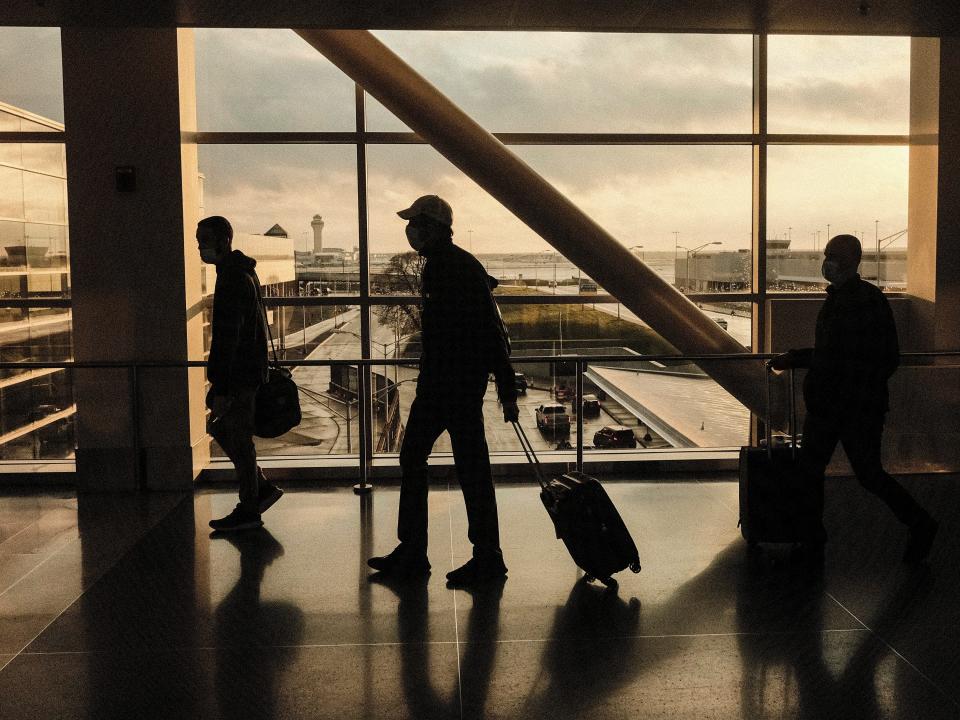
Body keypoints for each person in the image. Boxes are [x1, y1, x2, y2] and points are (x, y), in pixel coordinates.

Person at [367, 195, 520, 587]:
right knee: (444, 464)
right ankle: (433, 551)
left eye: (415, 222)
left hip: (452, 389)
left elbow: (490, 331)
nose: (409, 230)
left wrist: (505, 387)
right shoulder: (441, 266)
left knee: (454, 467)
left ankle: (454, 554)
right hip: (445, 387)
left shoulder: (456, 268)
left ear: (434, 227)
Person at [770, 234, 937, 563]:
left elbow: (836, 356)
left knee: (826, 470)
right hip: (851, 407)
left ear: (848, 260)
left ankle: (815, 538)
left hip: (841, 407)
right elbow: (870, 357)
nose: (825, 260)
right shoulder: (862, 299)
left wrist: (797, 358)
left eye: (831, 255)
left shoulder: (852, 302)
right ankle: (918, 523)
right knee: (862, 473)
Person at [197, 215, 283, 532]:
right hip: (248, 372)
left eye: (204, 240)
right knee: (229, 432)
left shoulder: (231, 278)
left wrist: (221, 385)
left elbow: (226, 337)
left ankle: (250, 507)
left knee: (236, 437)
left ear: (224, 240)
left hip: (238, 376)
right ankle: (258, 491)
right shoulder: (244, 273)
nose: (200, 247)